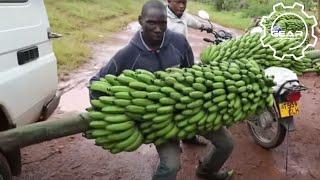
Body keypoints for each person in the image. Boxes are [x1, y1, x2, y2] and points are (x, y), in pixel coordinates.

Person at [89, 1, 234, 180]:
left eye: (162, 23)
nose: (158, 29)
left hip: (189, 111)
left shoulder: (179, 42)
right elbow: (95, 83)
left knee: (227, 143)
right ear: (140, 21)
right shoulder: (128, 54)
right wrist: (116, 111)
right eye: (151, 23)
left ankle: (206, 171)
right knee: (171, 166)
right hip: (160, 121)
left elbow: (191, 72)